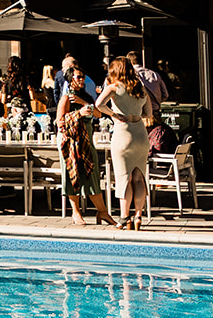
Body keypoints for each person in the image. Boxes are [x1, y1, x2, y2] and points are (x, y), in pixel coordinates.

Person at [55, 63, 119, 227]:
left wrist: (83, 103)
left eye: (83, 77)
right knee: (72, 176)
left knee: (93, 177)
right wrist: (78, 113)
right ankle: (75, 212)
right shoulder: (65, 99)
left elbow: (97, 113)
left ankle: (102, 212)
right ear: (70, 80)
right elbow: (60, 122)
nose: (82, 79)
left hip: (87, 143)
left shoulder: (86, 97)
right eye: (78, 77)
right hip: (70, 143)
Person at [93, 57, 154, 229]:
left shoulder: (114, 87)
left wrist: (114, 115)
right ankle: (139, 215)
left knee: (123, 177)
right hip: (140, 134)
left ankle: (124, 216)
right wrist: (136, 115)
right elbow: (148, 113)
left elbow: (99, 104)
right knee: (139, 177)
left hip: (123, 132)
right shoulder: (140, 88)